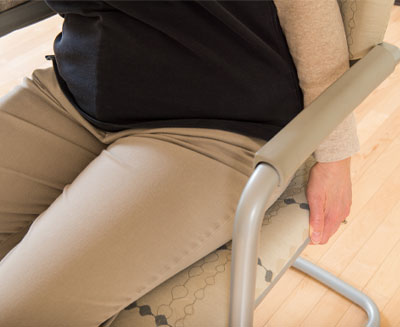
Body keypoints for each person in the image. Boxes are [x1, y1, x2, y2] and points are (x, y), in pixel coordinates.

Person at [0, 0, 360, 326]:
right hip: (74, 95)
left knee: (14, 315)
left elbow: (306, 9)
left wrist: (334, 153)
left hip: (216, 125)